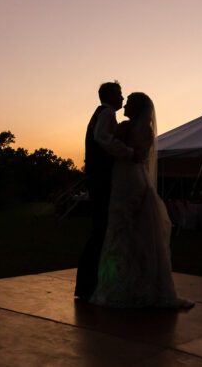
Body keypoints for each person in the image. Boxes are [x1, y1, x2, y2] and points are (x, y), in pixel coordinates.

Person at [90, 92, 193, 309]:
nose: (124, 106)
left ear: (135, 108)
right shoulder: (144, 130)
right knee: (136, 229)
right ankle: (143, 283)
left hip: (125, 177)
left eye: (128, 103)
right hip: (136, 177)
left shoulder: (126, 128)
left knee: (122, 229)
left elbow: (117, 148)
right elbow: (141, 154)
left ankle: (119, 285)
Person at [75, 81, 133, 301]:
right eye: (119, 93)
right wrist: (127, 152)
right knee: (100, 229)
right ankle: (89, 284)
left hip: (97, 177)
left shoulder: (102, 113)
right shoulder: (107, 113)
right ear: (110, 96)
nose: (123, 98)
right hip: (101, 179)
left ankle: (91, 283)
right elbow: (102, 138)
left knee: (101, 229)